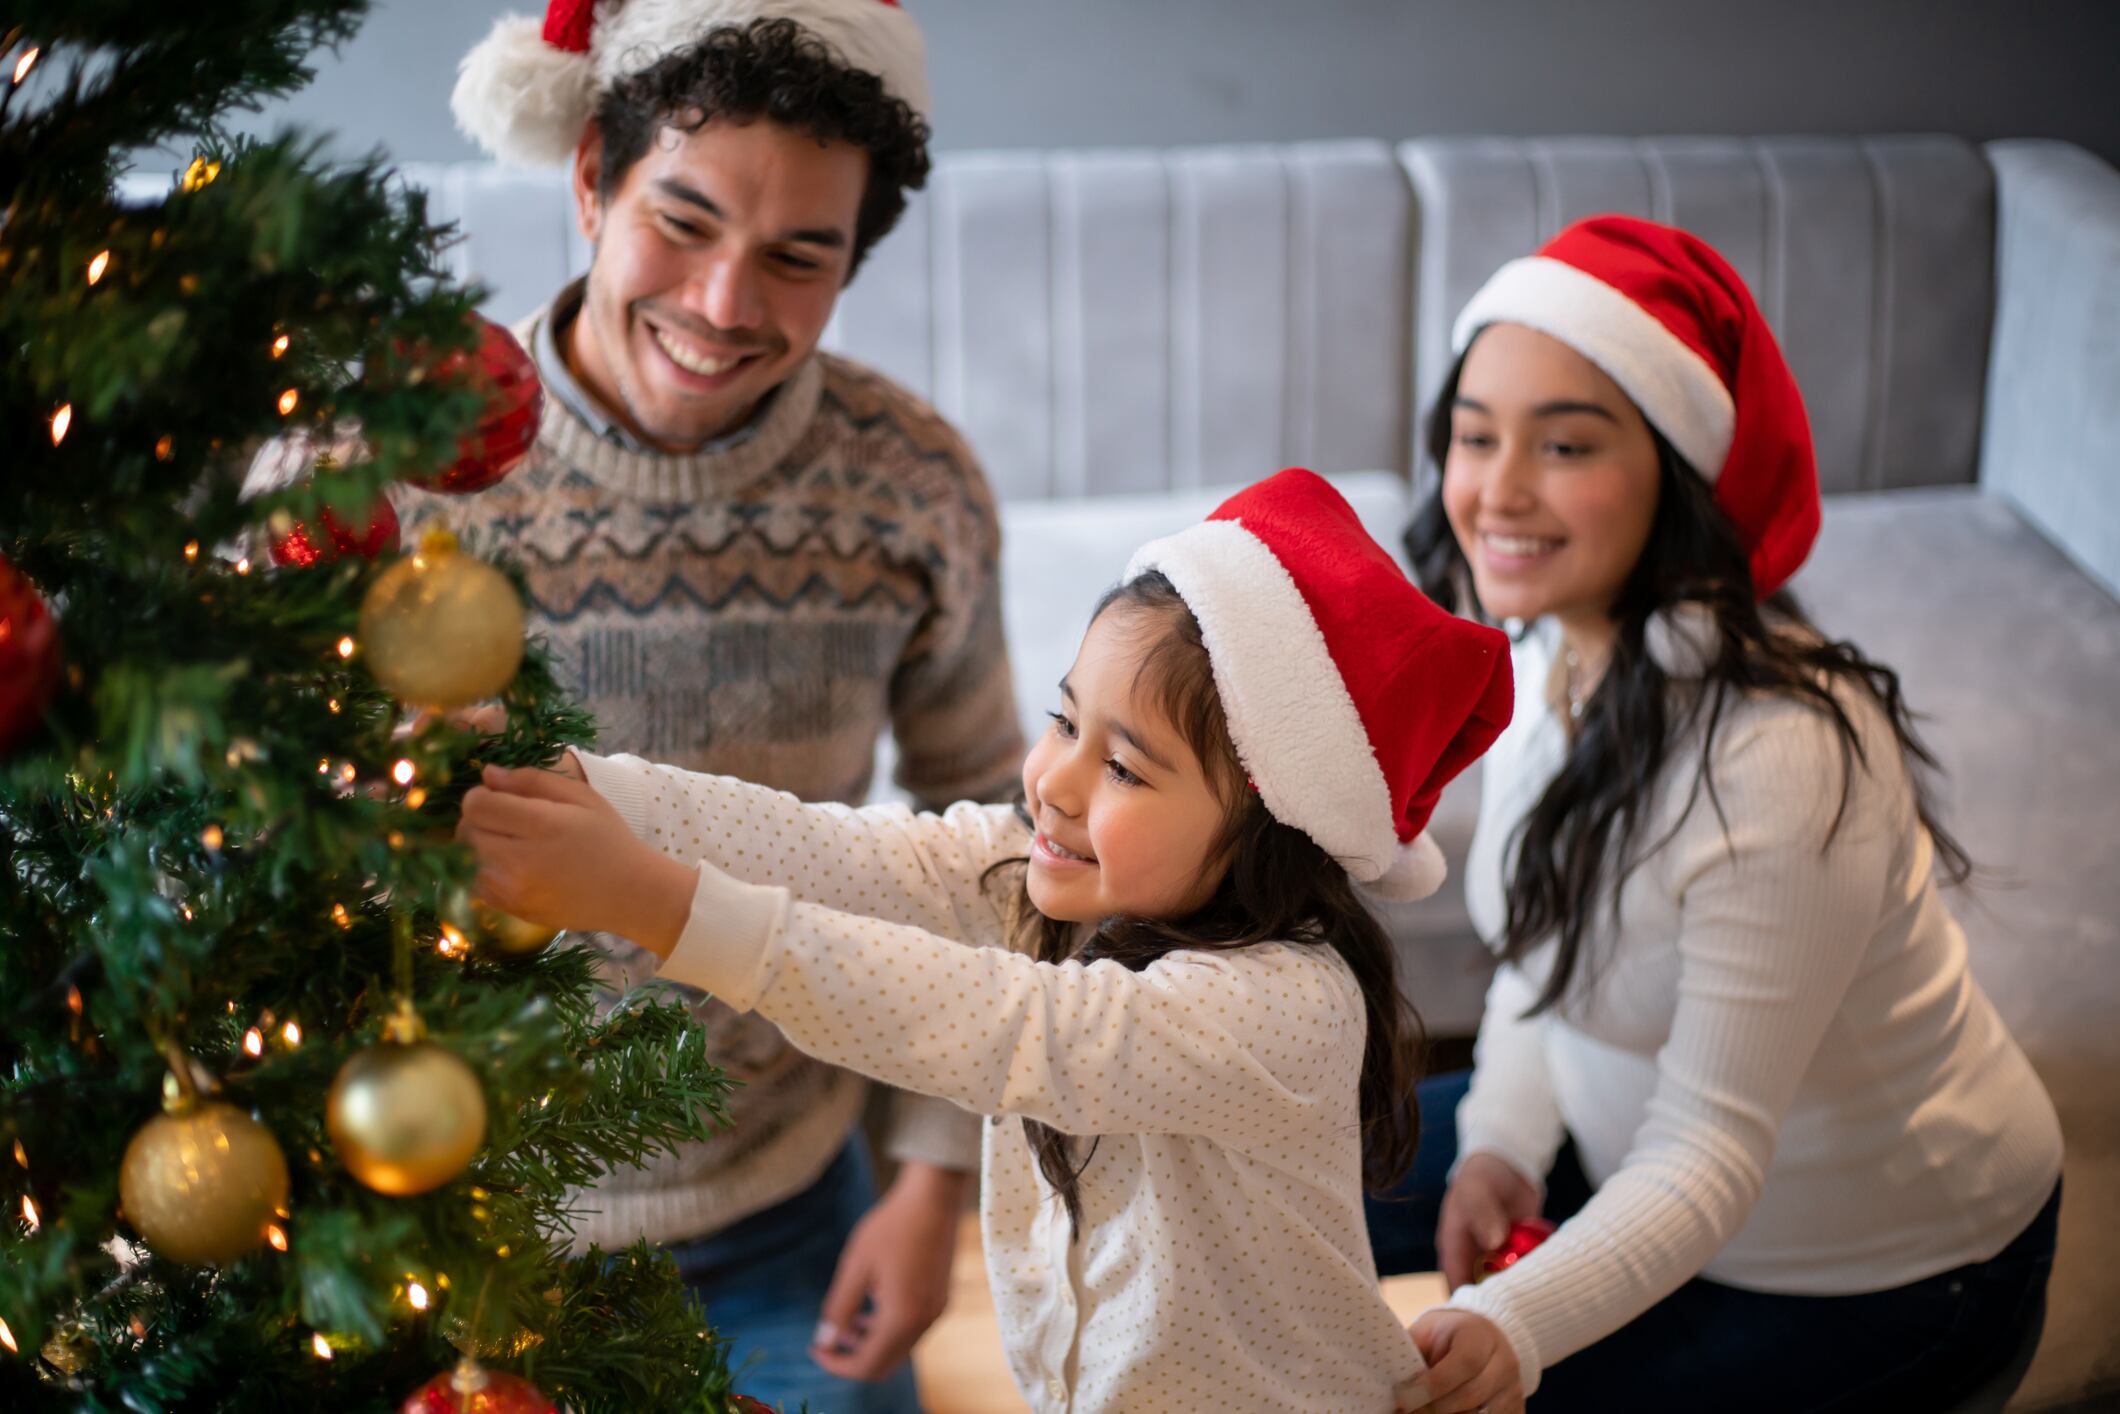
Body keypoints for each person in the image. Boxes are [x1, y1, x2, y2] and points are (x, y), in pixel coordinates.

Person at [453, 469, 1516, 1412]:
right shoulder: (1043, 883)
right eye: (1063, 721)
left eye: (1124, 769)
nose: (1051, 780)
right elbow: (831, 851)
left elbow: (1018, 1029)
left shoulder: (1287, 1001)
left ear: (1270, 828)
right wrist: (574, 782)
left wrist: (660, 904)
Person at [1369, 216, 2064, 1414]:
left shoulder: (1781, 755)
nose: (1497, 491)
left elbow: (1705, 1155)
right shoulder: (1552, 643)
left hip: (1868, 1272)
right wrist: (1498, 1142)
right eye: (1473, 438)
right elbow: (1549, 953)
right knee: (1269, 1151)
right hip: (1618, 1143)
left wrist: (1510, 1320)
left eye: (1566, 445)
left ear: (1674, 478)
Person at [432, 3, 1022, 1406]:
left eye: (796, 257)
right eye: (682, 223)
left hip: (784, 1224)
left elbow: (989, 839)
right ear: (590, 179)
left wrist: (934, 1173)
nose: (720, 305)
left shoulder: (915, 483)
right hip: (432, 1229)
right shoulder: (402, 462)